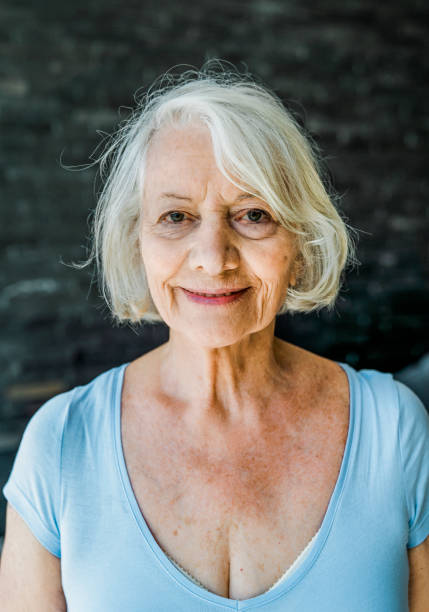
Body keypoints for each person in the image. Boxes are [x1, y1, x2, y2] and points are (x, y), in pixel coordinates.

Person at [1, 64, 428, 611]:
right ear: (137, 240)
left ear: (298, 238)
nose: (213, 257)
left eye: (252, 215)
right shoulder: (60, 447)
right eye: (176, 216)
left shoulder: (396, 432)